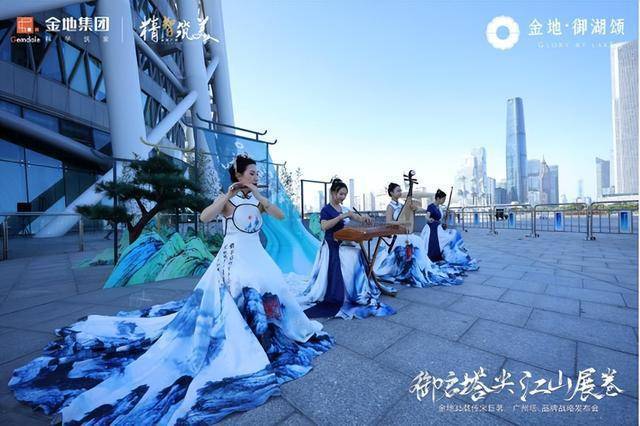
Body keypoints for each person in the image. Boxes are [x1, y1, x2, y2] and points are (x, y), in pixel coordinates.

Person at [9, 154, 333, 424]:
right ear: (238, 174)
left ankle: (268, 336)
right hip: (234, 257)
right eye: (252, 173)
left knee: (271, 293)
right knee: (237, 296)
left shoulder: (256, 201)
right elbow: (205, 217)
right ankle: (244, 341)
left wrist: (258, 195)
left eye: (257, 174)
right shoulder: (229, 200)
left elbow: (278, 214)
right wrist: (228, 193)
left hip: (257, 256)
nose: (256, 177)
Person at [293, 178, 396, 319]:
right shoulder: (326, 210)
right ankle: (347, 292)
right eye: (341, 194)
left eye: (345, 194)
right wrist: (340, 217)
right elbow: (324, 226)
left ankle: (357, 289)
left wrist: (364, 218)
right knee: (353, 255)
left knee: (357, 252)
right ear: (333, 193)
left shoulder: (344, 209)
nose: (343, 197)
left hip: (342, 242)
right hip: (331, 245)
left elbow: (355, 217)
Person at [373, 183, 462, 287]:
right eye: (398, 191)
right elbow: (388, 222)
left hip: (404, 233)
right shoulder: (390, 206)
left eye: (400, 190)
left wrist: (418, 208)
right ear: (391, 193)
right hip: (396, 234)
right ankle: (409, 268)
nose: (400, 192)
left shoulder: (402, 205)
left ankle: (421, 268)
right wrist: (402, 223)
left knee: (418, 241)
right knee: (416, 241)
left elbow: (420, 211)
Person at [422, 189, 478, 270]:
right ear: (438, 198)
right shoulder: (431, 206)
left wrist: (443, 221)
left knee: (454, 234)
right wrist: (429, 219)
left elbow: (440, 219)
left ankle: (449, 254)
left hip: (438, 227)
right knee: (444, 240)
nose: (444, 201)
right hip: (432, 229)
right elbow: (427, 216)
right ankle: (437, 255)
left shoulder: (439, 208)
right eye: (443, 199)